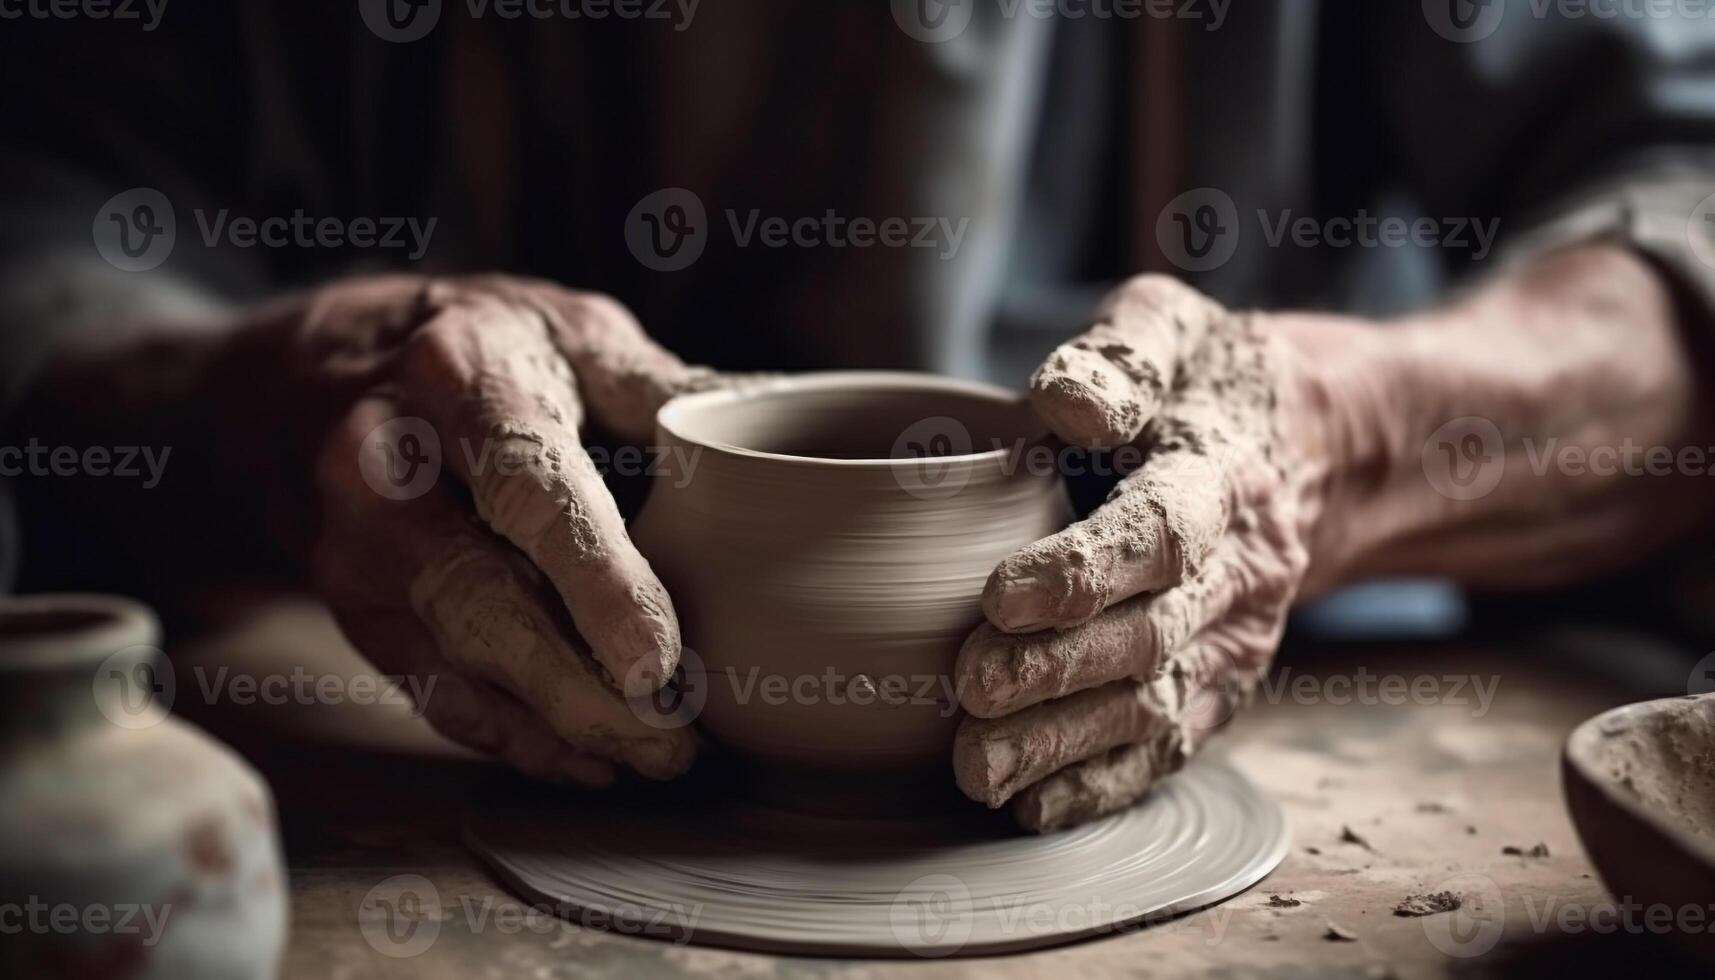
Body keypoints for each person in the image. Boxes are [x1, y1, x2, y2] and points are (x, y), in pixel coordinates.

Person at [2, 3, 1713, 830]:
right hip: (423, 730)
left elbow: (1691, 185)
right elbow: (47, 204)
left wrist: (1342, 434)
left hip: (1277, 693)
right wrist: (309, 388)